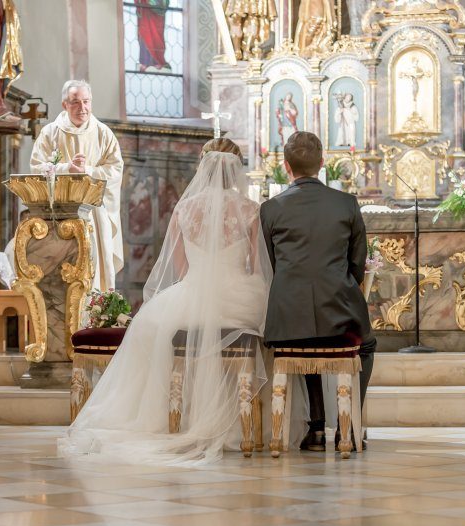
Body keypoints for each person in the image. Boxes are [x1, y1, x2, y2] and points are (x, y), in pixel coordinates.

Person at [59, 138, 272, 466]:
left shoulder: (185, 208)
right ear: (236, 169)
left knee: (156, 330)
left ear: (203, 166)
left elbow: (180, 267)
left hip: (190, 291)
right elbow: (255, 266)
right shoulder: (249, 209)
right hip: (238, 298)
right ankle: (241, 422)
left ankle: (177, 419)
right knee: (263, 324)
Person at [260, 131, 375, 451]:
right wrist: (341, 287)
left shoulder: (270, 209)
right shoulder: (346, 203)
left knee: (305, 329)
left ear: (285, 167)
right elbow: (357, 263)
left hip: (286, 318)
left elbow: (270, 265)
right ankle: (348, 427)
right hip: (337, 308)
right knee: (366, 344)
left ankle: (315, 429)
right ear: (323, 163)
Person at [30, 80, 124, 290]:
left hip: (93, 214)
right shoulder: (50, 132)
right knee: (58, 278)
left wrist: (87, 171)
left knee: (94, 270)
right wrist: (66, 169)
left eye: (86, 101)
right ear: (65, 104)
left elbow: (116, 170)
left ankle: (95, 311)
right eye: (75, 102)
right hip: (58, 216)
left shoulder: (103, 133)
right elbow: (35, 168)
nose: (82, 108)